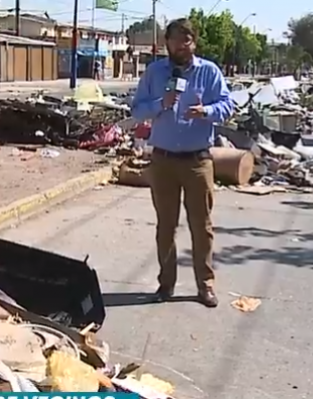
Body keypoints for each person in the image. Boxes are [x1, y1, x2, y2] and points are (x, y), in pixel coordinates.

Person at [130, 18, 234, 308]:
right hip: (162, 161)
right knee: (166, 226)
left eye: (185, 40)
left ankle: (205, 285)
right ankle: (166, 284)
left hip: (197, 160)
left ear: (194, 43)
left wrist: (207, 111)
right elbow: (137, 110)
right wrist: (160, 104)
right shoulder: (154, 72)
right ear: (167, 43)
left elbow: (227, 105)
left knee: (201, 226)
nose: (180, 46)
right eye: (175, 40)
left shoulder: (209, 72)